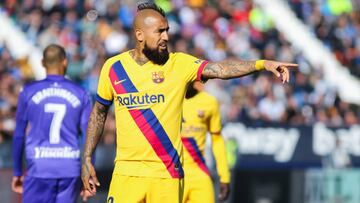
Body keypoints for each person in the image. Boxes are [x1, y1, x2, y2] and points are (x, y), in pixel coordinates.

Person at [81, 2, 297, 203]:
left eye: (167, 30)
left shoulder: (180, 63)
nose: (166, 36)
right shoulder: (113, 68)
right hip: (126, 174)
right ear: (139, 35)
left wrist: (262, 64)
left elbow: (220, 70)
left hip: (167, 175)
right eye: (159, 31)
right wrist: (87, 158)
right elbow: (99, 113)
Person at [12, 44, 92, 203]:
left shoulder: (28, 91)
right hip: (69, 167)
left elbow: (19, 134)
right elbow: (89, 136)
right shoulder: (81, 93)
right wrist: (89, 173)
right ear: (65, 62)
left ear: (42, 63)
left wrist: (17, 171)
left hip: (39, 167)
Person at [181, 81, 230, 203]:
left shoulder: (209, 102)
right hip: (170, 174)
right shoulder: (166, 98)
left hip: (199, 173)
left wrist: (224, 176)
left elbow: (217, 139)